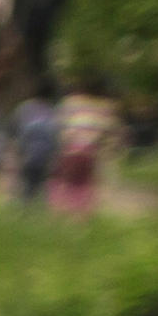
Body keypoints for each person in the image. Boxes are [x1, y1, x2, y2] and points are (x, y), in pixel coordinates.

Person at [48, 86, 115, 217]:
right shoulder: (104, 106)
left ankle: (58, 210)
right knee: (85, 183)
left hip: (70, 149)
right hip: (90, 150)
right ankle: (80, 216)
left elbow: (59, 128)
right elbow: (108, 132)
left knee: (62, 180)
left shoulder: (70, 102)